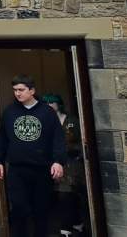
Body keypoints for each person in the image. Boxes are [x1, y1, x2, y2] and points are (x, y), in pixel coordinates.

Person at [0, 75, 67, 237]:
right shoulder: (10, 112)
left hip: (41, 169)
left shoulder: (47, 112)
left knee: (41, 210)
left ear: (32, 91)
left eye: (21, 90)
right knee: (19, 208)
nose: (17, 93)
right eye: (15, 90)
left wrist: (58, 161)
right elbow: (2, 137)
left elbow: (58, 139)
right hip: (17, 169)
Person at [43, 93, 87, 235]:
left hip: (72, 163)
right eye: (46, 102)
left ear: (58, 104)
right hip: (53, 163)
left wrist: (76, 152)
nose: (49, 104)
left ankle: (71, 225)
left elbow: (82, 141)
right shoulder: (44, 122)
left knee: (71, 194)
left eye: (51, 102)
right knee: (62, 195)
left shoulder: (72, 121)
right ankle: (70, 225)